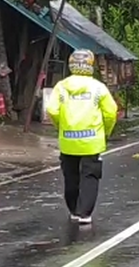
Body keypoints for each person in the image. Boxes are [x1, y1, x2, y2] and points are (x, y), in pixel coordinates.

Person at [46, 49, 118, 224]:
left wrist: (61, 127)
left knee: (70, 176)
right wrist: (106, 131)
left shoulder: (61, 87)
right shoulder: (98, 88)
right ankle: (84, 213)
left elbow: (52, 110)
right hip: (92, 142)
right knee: (90, 176)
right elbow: (111, 112)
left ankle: (73, 210)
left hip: (68, 141)